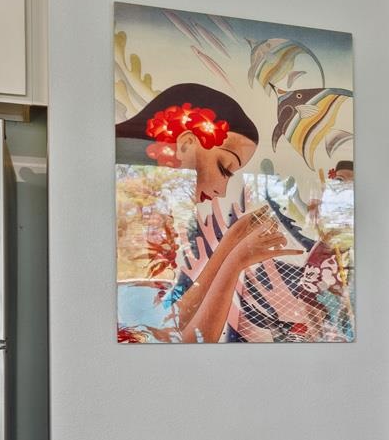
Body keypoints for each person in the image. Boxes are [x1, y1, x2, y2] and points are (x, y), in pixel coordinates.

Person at [116, 83, 351, 342]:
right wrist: (234, 260)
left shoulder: (143, 205)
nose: (221, 190)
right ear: (185, 144)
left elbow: (170, 322)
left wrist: (229, 246)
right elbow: (186, 343)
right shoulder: (129, 212)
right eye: (225, 168)